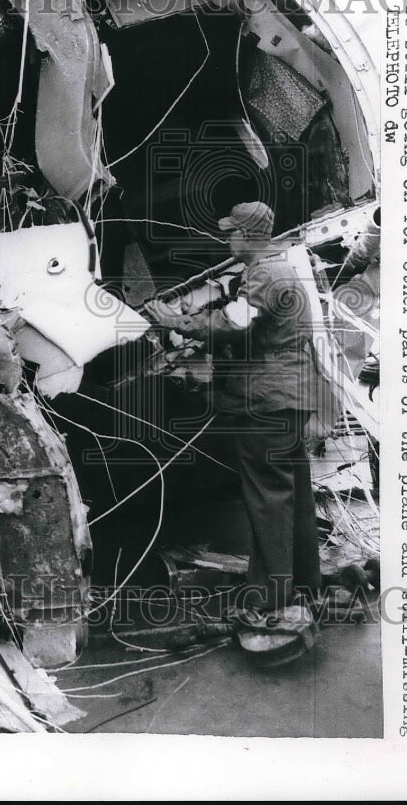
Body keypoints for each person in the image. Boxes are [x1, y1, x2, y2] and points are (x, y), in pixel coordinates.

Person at [145, 202, 321, 643]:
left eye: (231, 233)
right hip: (291, 397)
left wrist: (178, 321)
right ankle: (304, 584)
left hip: (265, 402)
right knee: (292, 494)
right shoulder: (281, 270)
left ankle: (269, 597)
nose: (227, 241)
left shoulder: (263, 273)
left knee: (267, 498)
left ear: (247, 235)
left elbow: (235, 322)